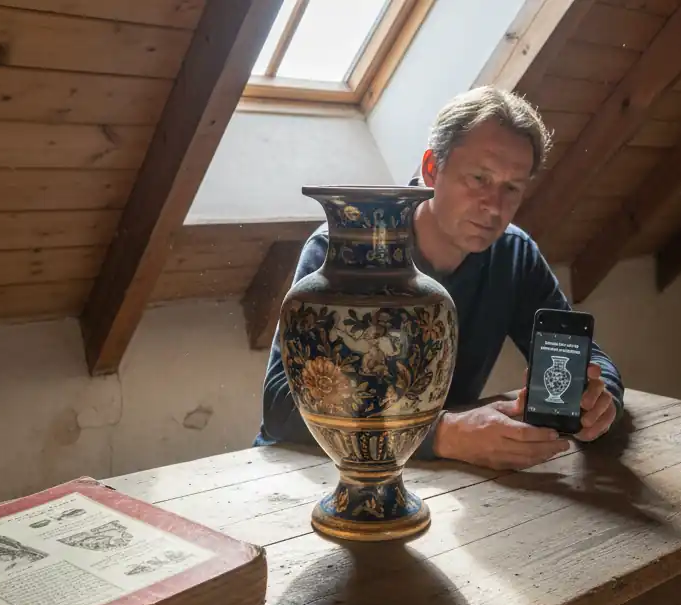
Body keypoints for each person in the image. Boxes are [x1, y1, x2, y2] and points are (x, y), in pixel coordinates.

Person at [254, 86, 624, 471]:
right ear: (432, 168)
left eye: (512, 188)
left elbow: (586, 356)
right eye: (479, 178)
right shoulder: (343, 249)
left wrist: (600, 400)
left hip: (431, 477)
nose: (494, 207)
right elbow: (281, 406)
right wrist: (443, 434)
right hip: (306, 473)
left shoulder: (515, 254)